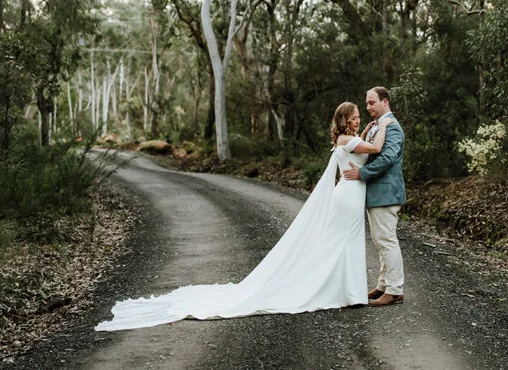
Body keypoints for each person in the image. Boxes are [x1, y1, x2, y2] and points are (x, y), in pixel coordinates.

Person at [94, 102, 391, 330]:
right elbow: (376, 148)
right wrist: (385, 124)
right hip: (348, 196)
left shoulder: (348, 138)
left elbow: (364, 148)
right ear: (344, 119)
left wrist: (368, 128)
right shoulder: (347, 140)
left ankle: (349, 291)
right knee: (342, 241)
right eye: (354, 116)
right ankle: (347, 292)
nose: (357, 120)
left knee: (345, 241)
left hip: (351, 194)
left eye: (359, 116)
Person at [343, 86, 406, 307]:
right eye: (367, 103)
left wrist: (362, 173)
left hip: (386, 193)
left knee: (387, 240)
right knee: (380, 242)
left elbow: (388, 158)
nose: (368, 107)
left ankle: (395, 290)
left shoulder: (392, 127)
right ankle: (383, 285)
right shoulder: (377, 126)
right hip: (376, 193)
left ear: (385, 101)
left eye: (372, 102)